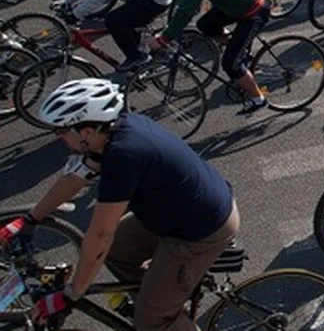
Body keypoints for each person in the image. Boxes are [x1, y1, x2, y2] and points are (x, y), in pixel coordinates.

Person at [8, 78, 239, 331]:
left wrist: (71, 294)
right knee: (117, 252)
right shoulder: (112, 132)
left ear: (86, 131)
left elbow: (100, 235)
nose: (59, 137)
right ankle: (162, 300)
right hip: (177, 210)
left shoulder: (124, 155)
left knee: (151, 322)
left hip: (199, 231)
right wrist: (30, 219)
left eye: (61, 131)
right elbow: (74, 179)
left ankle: (162, 317)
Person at [150, 0, 271, 116]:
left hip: (253, 11)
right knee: (205, 24)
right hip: (244, 1)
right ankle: (239, 49)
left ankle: (258, 98)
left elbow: (185, 12)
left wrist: (164, 38)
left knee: (230, 65)